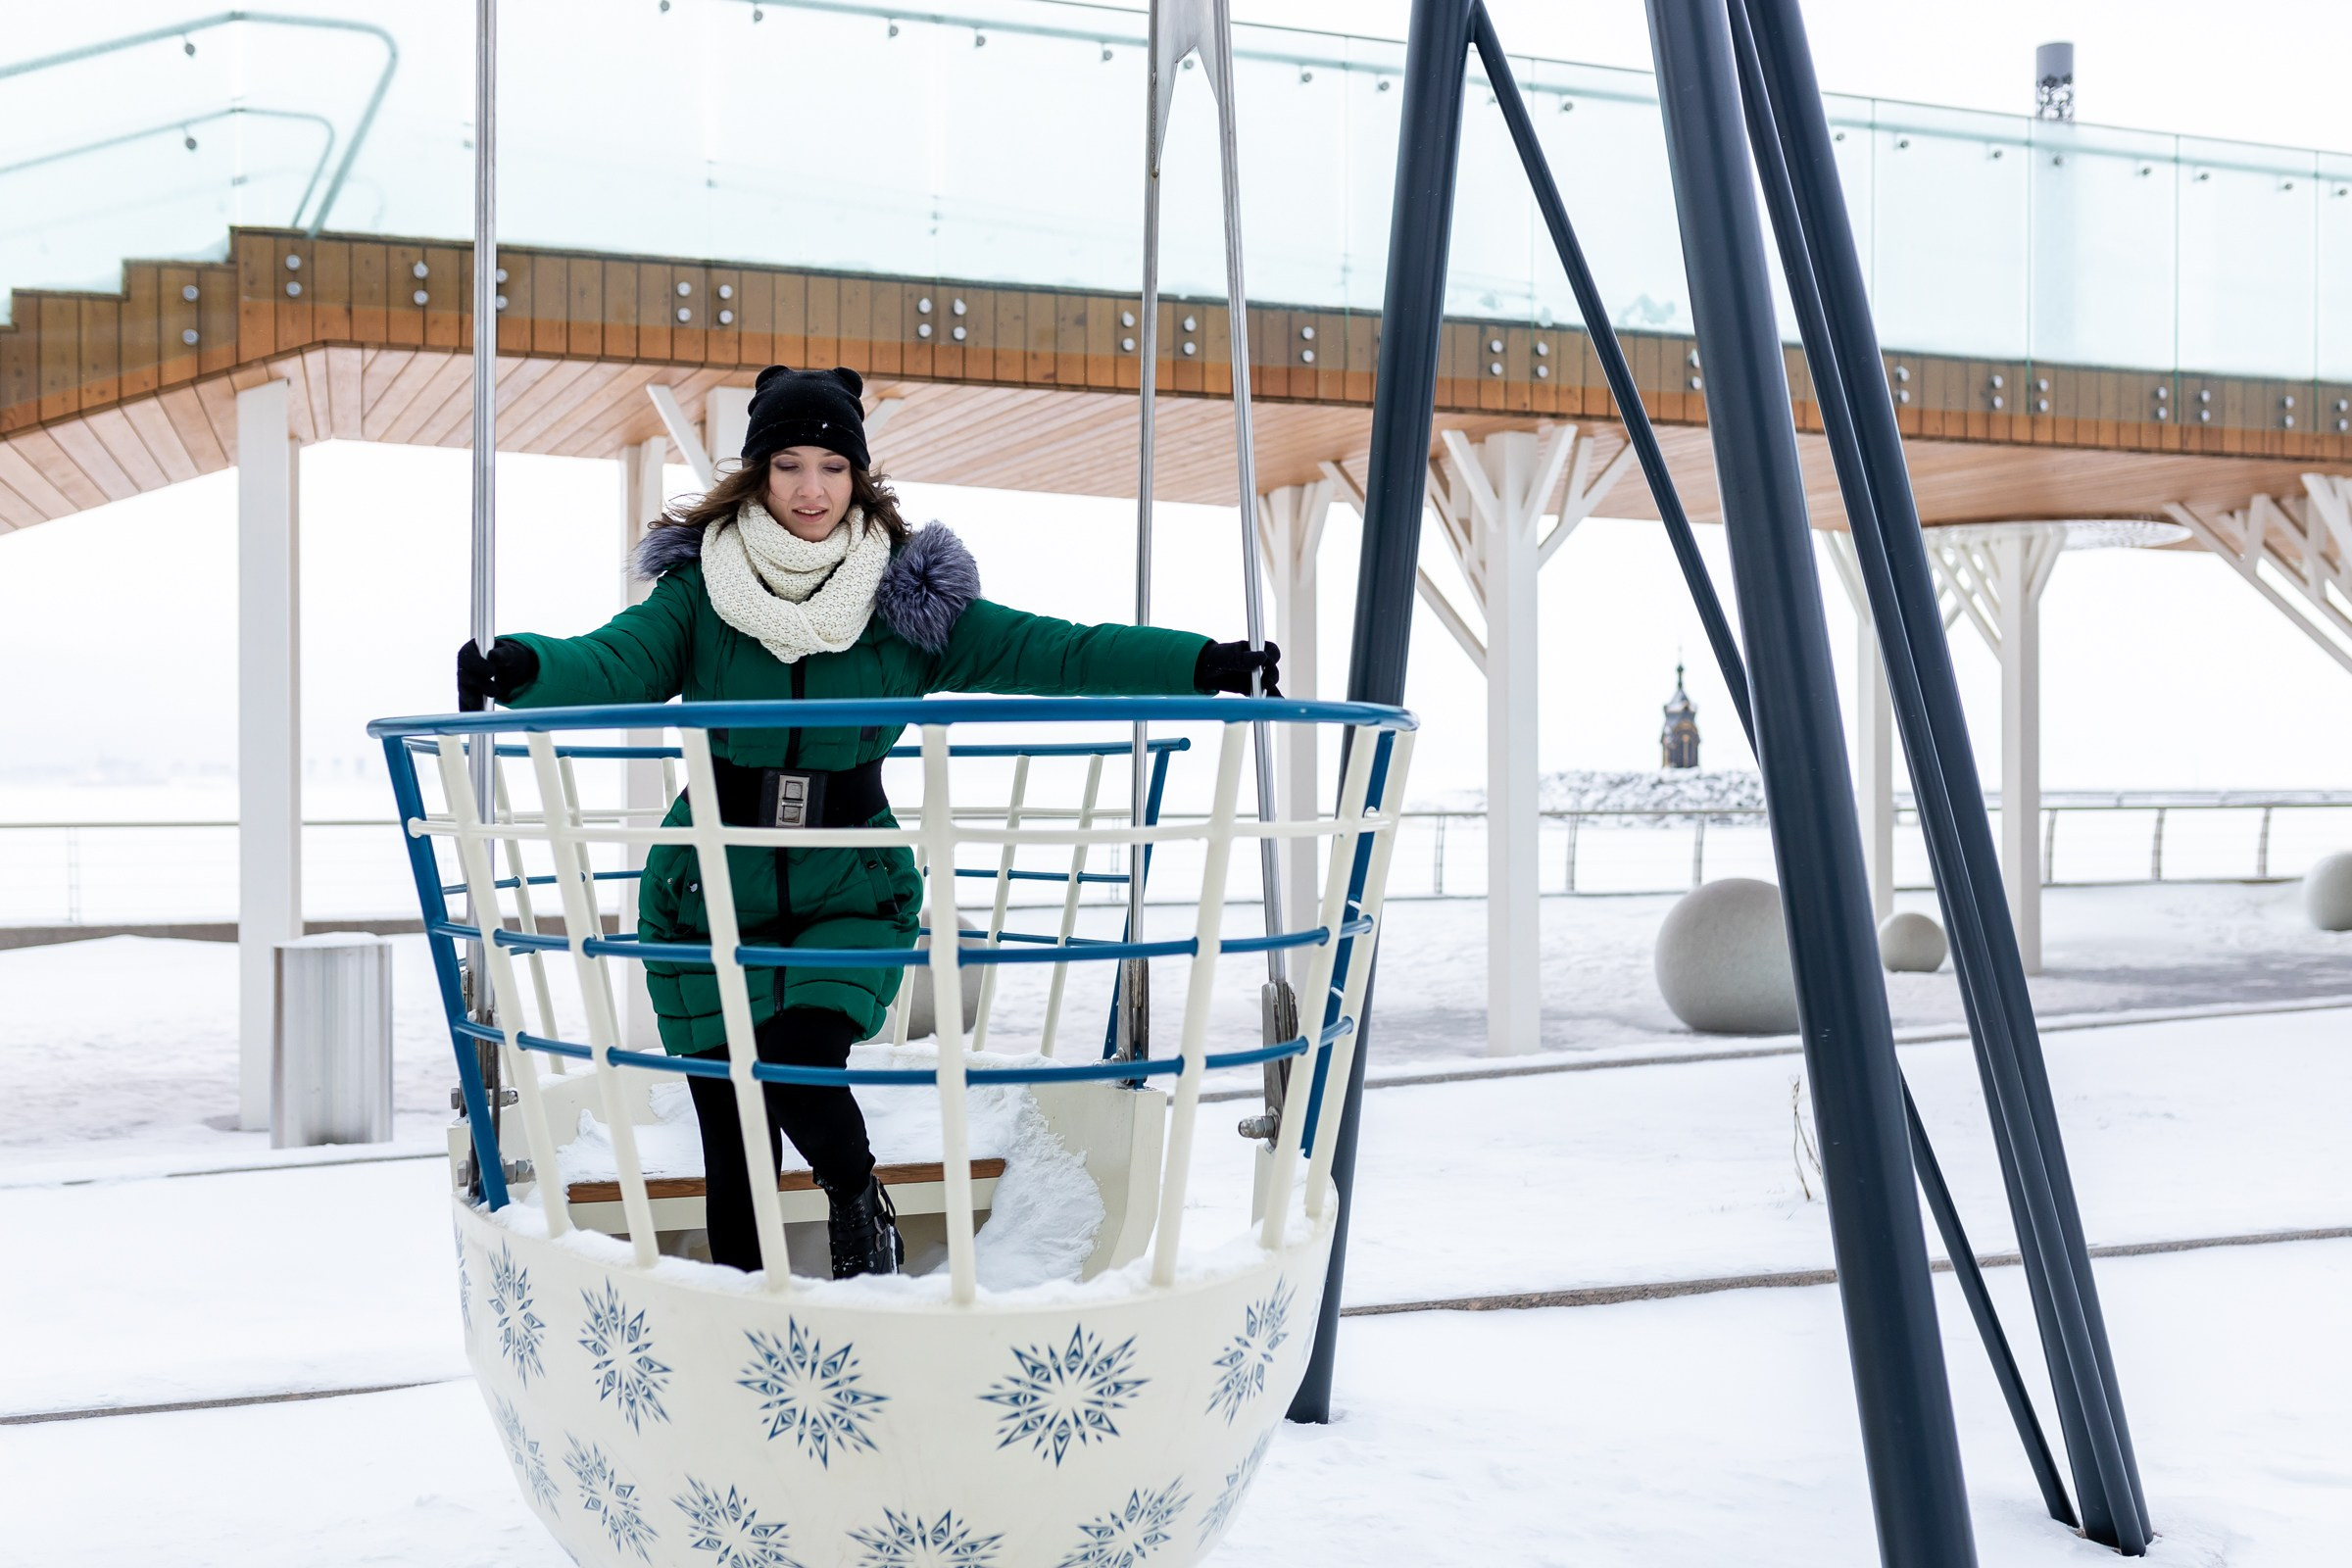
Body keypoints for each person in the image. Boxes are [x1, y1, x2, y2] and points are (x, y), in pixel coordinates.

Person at [457, 364, 1278, 1281]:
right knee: (733, 1132)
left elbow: (1056, 648)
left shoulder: (906, 602)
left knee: (799, 1060)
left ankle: (857, 1199)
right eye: (790, 466)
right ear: (758, 475)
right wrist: (521, 668)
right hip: (707, 887)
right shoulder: (697, 596)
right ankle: (738, 1317)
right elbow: (613, 663)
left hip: (848, 880)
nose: (812, 490)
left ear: (860, 478)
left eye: (833, 468)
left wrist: (1202, 663)